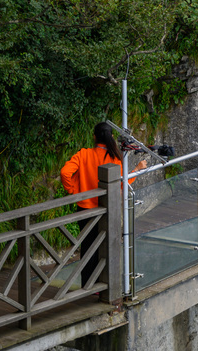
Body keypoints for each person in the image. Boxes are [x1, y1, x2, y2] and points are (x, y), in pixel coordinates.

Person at [61, 122, 144, 289]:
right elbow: (122, 183)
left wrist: (73, 189)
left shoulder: (84, 154)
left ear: (94, 137)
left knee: (87, 248)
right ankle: (103, 287)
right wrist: (138, 169)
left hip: (85, 208)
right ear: (111, 137)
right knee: (105, 248)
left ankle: (88, 287)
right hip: (106, 210)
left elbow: (65, 172)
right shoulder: (114, 158)